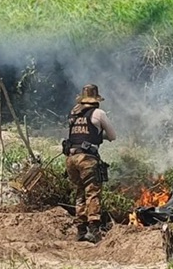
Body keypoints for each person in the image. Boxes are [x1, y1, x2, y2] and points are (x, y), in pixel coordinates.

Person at [63, 84, 117, 243]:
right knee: (92, 192)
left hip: (71, 158)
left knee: (80, 192)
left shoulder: (73, 112)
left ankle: (80, 230)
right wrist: (100, 136)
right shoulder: (98, 113)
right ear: (96, 100)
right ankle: (94, 230)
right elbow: (112, 136)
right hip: (87, 159)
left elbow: (77, 134)